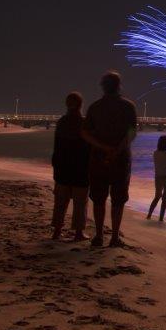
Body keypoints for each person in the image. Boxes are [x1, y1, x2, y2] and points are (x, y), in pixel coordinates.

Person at [81, 72, 138, 248]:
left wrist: (103, 147)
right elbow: (131, 133)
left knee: (98, 198)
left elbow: (85, 133)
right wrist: (117, 150)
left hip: (98, 159)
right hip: (121, 160)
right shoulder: (129, 106)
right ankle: (114, 237)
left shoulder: (94, 107)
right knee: (118, 199)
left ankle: (98, 235)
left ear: (102, 86)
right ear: (119, 86)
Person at [51, 92, 91, 241]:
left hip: (63, 168)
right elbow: (89, 147)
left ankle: (57, 230)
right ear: (81, 105)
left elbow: (57, 147)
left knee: (61, 202)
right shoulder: (84, 123)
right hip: (80, 168)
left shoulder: (62, 122)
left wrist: (55, 166)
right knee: (80, 203)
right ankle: (78, 233)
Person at [147, 135, 166, 222]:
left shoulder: (155, 153)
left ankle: (149, 215)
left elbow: (159, 165)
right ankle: (161, 218)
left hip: (158, 177)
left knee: (157, 197)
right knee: (165, 199)